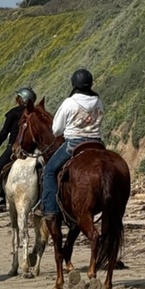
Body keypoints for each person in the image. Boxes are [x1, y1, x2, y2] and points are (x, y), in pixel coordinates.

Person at [34, 68, 105, 219]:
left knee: (49, 172)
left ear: (74, 84)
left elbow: (57, 129)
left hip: (74, 143)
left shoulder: (69, 103)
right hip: (97, 143)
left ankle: (50, 209)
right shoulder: (98, 101)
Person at [0, 87, 37, 212]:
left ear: (22, 99)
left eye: (18, 97)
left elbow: (4, 133)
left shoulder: (13, 113)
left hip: (15, 148)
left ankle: (0, 199)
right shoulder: (35, 113)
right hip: (32, 149)